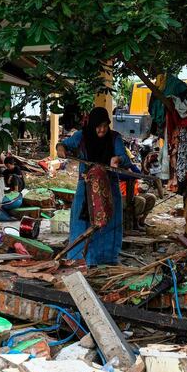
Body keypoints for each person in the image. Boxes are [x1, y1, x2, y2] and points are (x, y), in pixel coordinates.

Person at [56, 107, 130, 266]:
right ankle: (79, 259)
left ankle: (107, 259)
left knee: (109, 222)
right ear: (92, 124)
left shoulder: (114, 138)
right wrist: (60, 148)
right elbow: (62, 144)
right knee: (82, 222)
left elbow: (124, 158)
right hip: (86, 187)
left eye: (105, 125)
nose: (102, 129)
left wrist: (117, 159)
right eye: (99, 126)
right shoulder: (81, 136)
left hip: (109, 187)